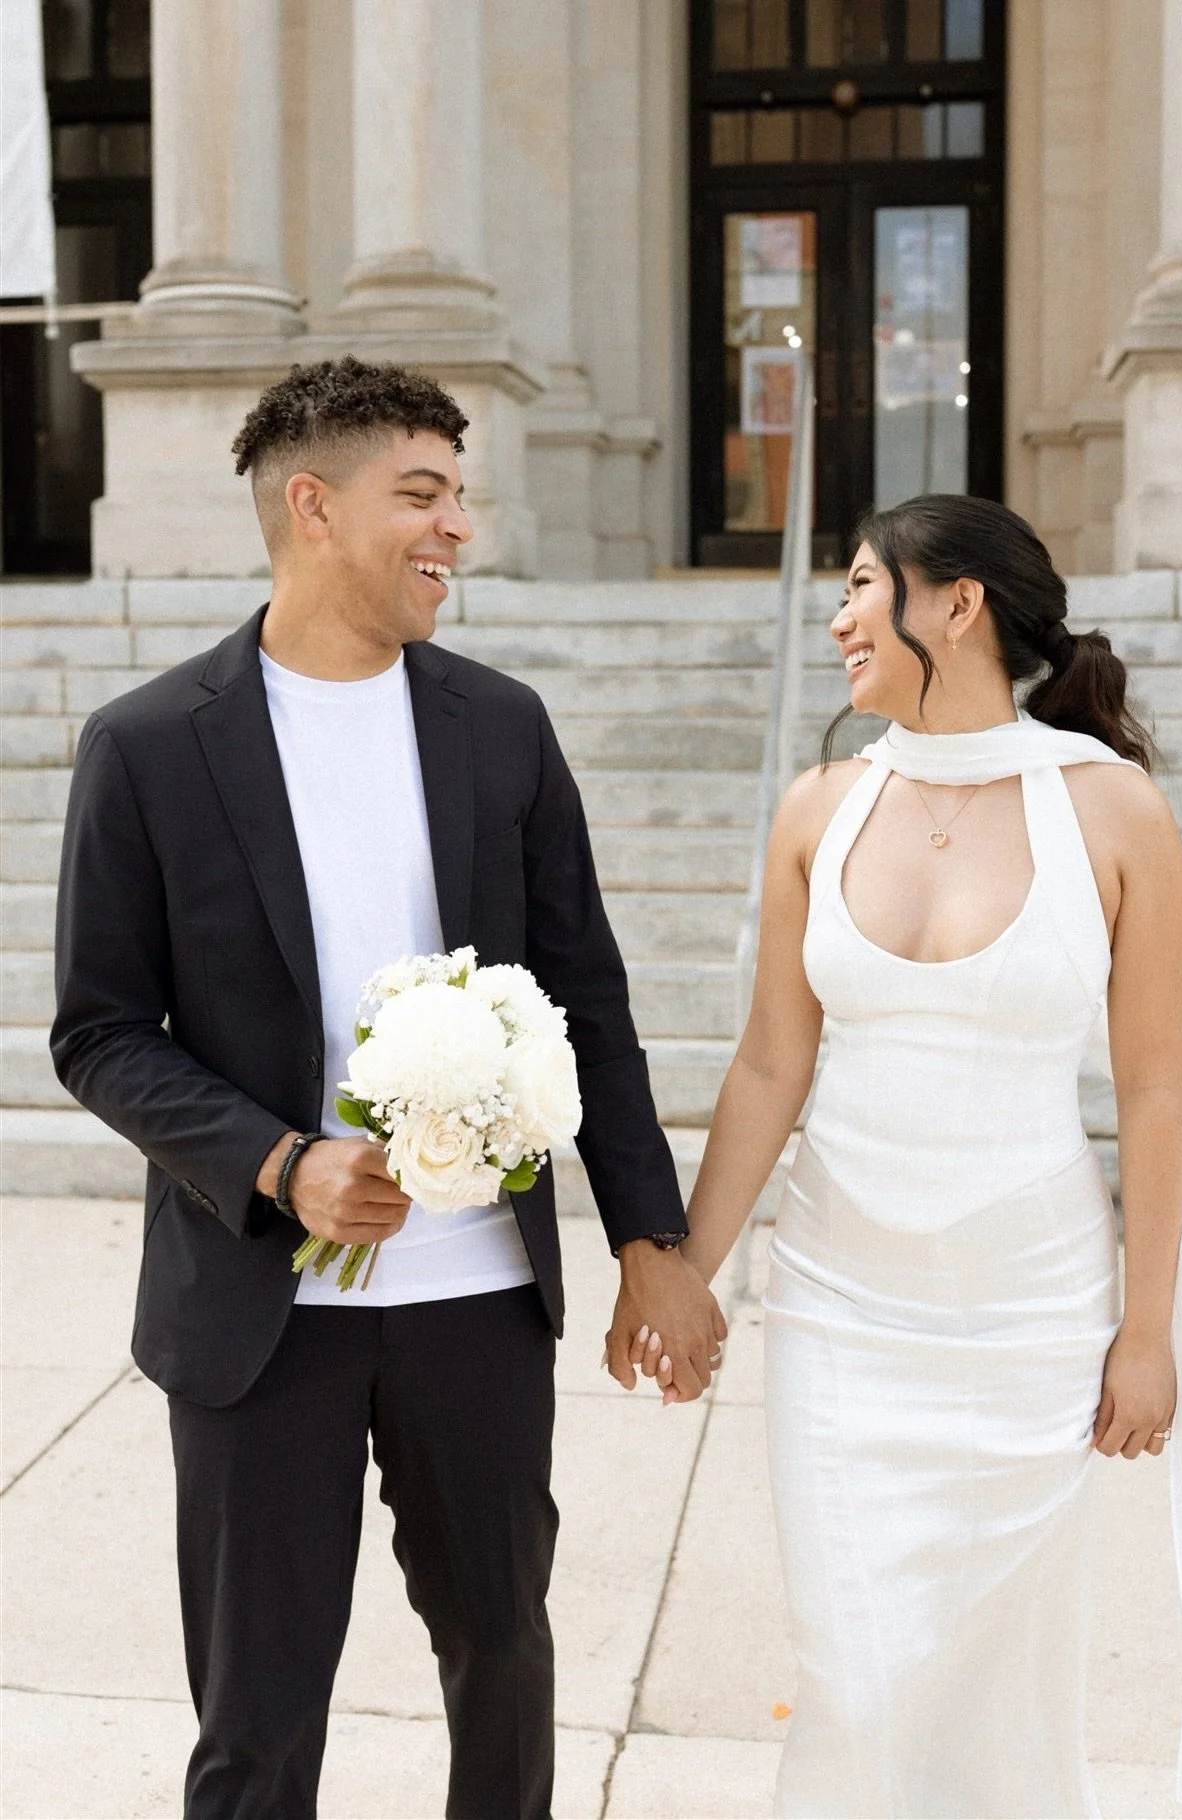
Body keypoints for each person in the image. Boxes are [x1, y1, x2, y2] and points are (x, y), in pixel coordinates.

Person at [50, 355, 726, 1820]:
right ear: (313, 506)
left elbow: (586, 998)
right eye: (421, 496)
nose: (456, 528)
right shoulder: (149, 746)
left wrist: (652, 1243)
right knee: (257, 1718)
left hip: (478, 1299)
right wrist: (278, 1162)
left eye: (457, 496)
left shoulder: (503, 725)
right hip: (257, 1312)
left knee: (505, 1665)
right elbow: (99, 1032)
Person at [624, 496, 1182, 1818]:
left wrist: (1147, 1333)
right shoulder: (819, 808)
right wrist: (688, 1268)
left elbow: (1154, 1092)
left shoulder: (1115, 813)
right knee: (854, 1676)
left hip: (1034, 1323)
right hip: (840, 1314)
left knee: (1004, 1690)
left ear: (956, 604)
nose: (840, 619)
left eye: (862, 586)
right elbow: (770, 1068)